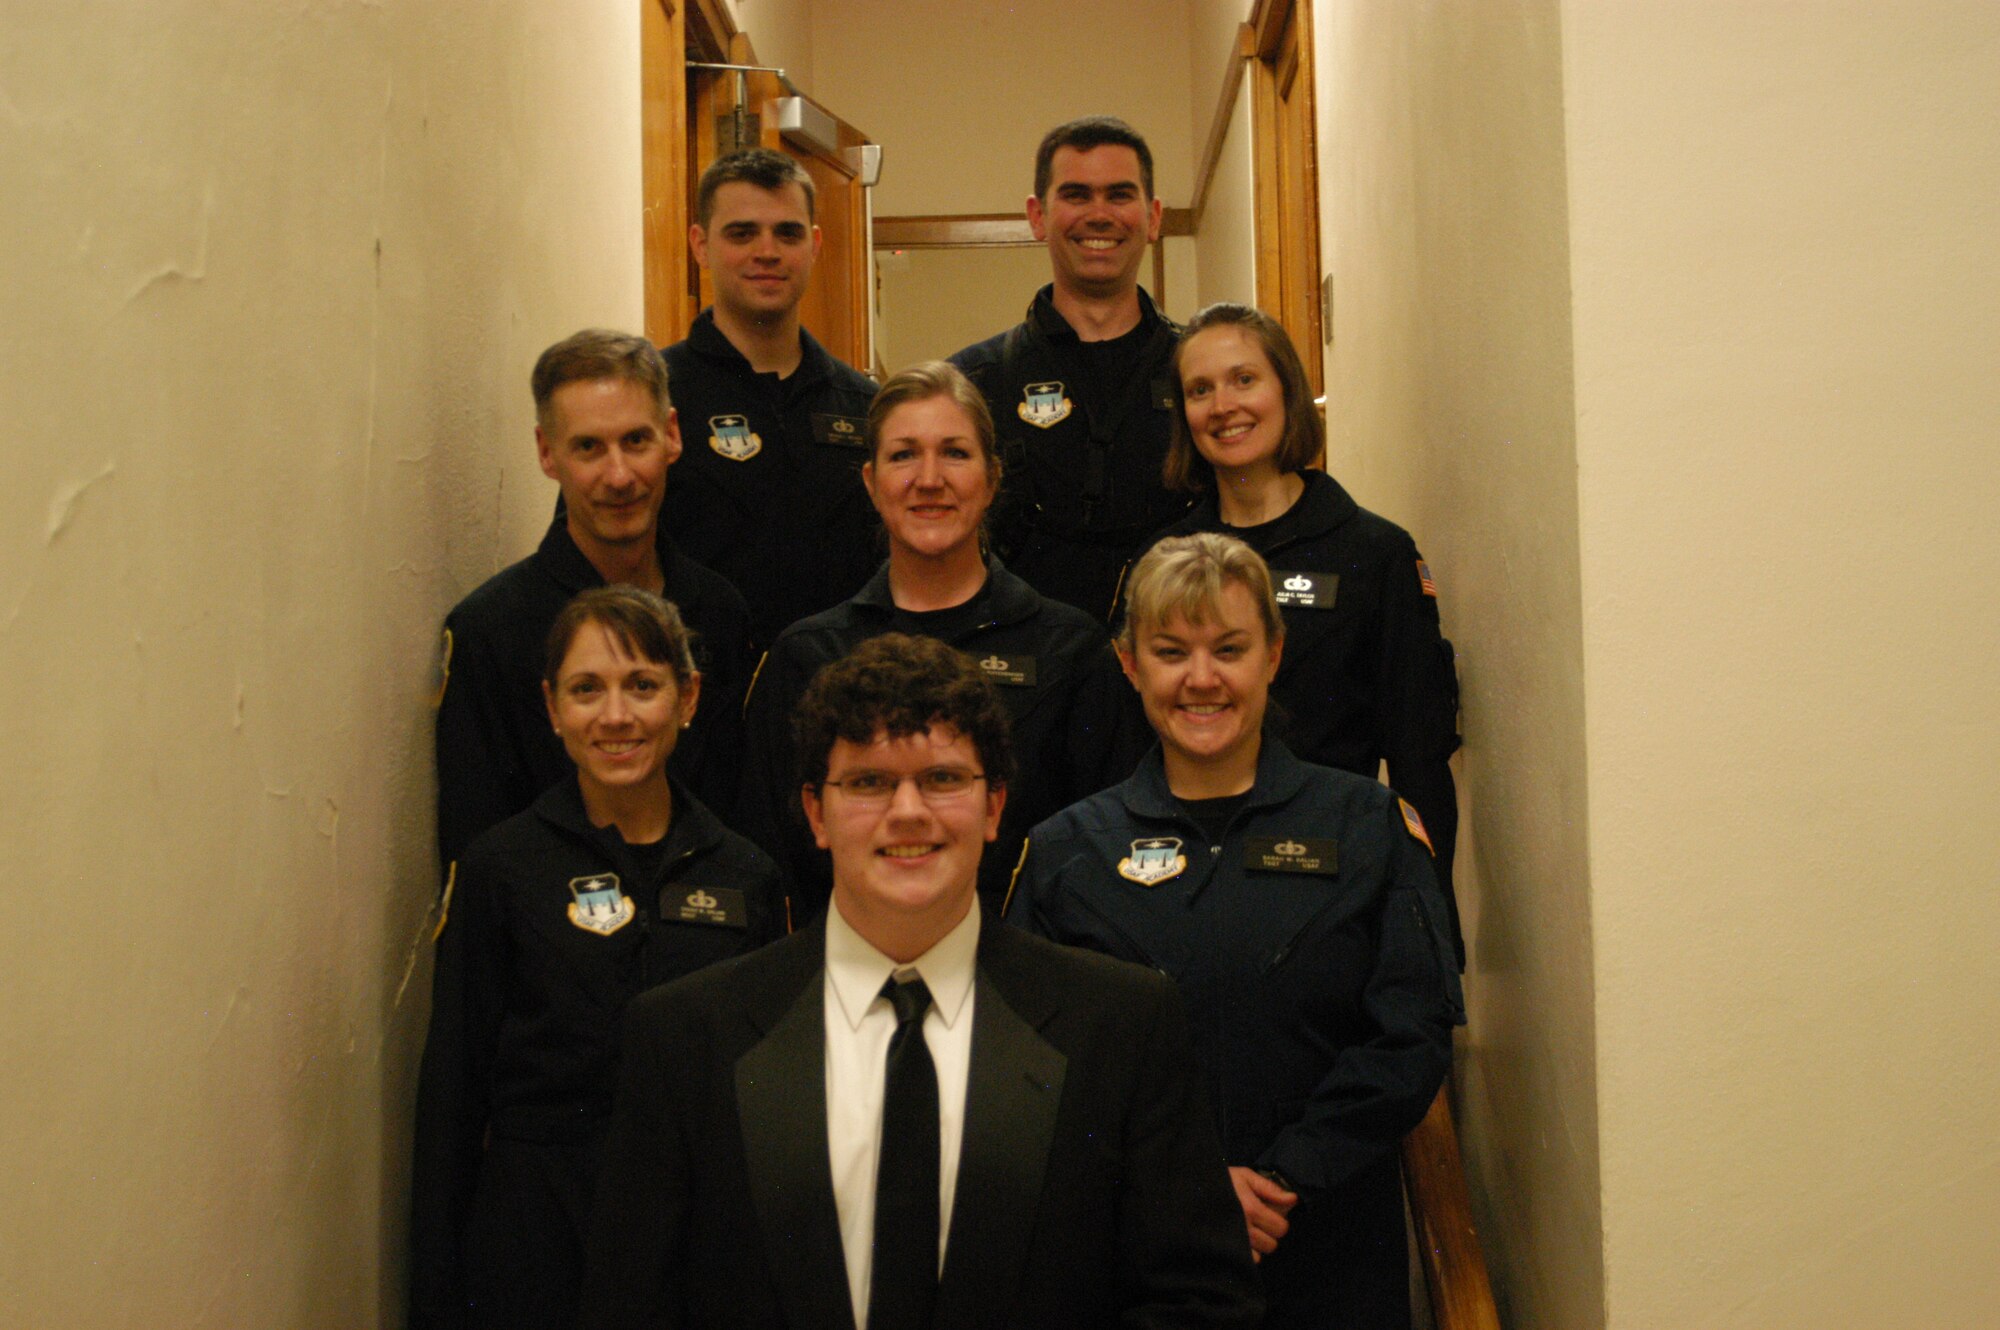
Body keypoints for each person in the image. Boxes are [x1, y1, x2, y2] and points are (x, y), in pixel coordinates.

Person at [578, 633, 1260, 1330]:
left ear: (994, 806)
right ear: (817, 812)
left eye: (941, 779)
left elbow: (1201, 1304)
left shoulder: (1121, 1024)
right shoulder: (687, 1037)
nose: (908, 811)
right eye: (869, 782)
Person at [1006, 534, 1461, 1330]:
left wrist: (1286, 1176)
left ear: (1274, 656)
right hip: (1130, 1268)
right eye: (1171, 651)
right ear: (1129, 665)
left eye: (1230, 648)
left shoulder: (1367, 825)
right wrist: (1176, 1191)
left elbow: (1412, 1034)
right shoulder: (1064, 852)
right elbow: (1029, 1063)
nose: (1202, 678)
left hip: (1329, 1256)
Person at [411, 587, 785, 1330]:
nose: (616, 717)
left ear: (688, 699)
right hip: (534, 1238)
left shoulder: (745, 876)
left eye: (642, 686)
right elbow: (451, 1097)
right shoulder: (501, 868)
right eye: (588, 690)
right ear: (552, 709)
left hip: (694, 1243)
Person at [738, 361, 1141, 922]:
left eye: (954, 452)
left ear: (992, 479)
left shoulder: (1070, 651)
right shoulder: (808, 658)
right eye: (903, 454)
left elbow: (1103, 844)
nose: (930, 478)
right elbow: (775, 857)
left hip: (1033, 979)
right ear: (871, 483)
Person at [1157, 302, 1466, 961]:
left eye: (1245, 379)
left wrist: (1429, 933)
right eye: (1199, 389)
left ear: (1287, 391)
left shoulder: (1372, 553)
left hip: (1335, 888)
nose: (1224, 406)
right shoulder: (1165, 561)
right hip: (1192, 891)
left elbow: (1419, 758)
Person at [434, 329, 753, 870]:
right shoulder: (490, 631)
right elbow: (478, 858)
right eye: (588, 447)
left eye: (636, 441)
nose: (619, 475)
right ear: (547, 453)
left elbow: (739, 817)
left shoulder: (720, 612)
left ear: (672, 437)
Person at [949, 116, 1192, 624]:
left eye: (1119, 195)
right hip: (1022, 671)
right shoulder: (971, 383)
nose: (1099, 215)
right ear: (1038, 216)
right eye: (1077, 195)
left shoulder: (1201, 374)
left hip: (1176, 664)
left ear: (1152, 217)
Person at [654, 148, 881, 647]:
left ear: (815, 245)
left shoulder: (865, 406)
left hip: (840, 698)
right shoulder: (651, 397)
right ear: (699, 244)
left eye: (788, 233)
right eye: (741, 233)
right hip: (698, 699)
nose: (767, 251)